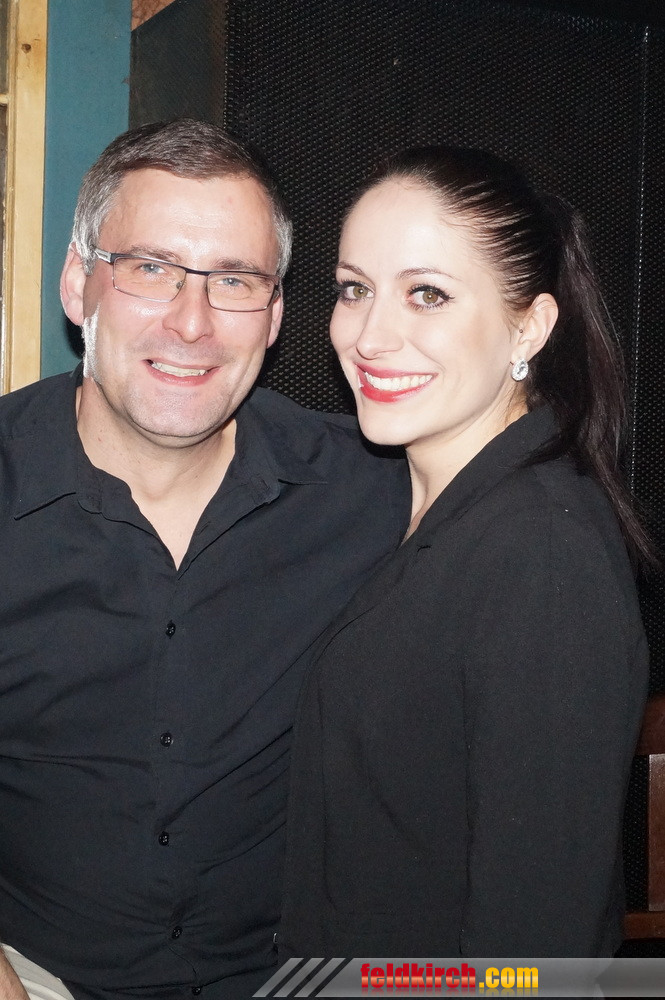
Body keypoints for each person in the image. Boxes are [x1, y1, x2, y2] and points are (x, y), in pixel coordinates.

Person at [0, 120, 409, 1000]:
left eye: (233, 281)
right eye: (150, 268)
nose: (191, 323)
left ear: (275, 315)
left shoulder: (372, 490)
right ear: (76, 284)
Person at [279, 146, 652, 959]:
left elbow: (533, 949)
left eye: (427, 294)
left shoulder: (541, 555)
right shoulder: (403, 503)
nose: (370, 336)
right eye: (353, 289)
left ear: (530, 326)